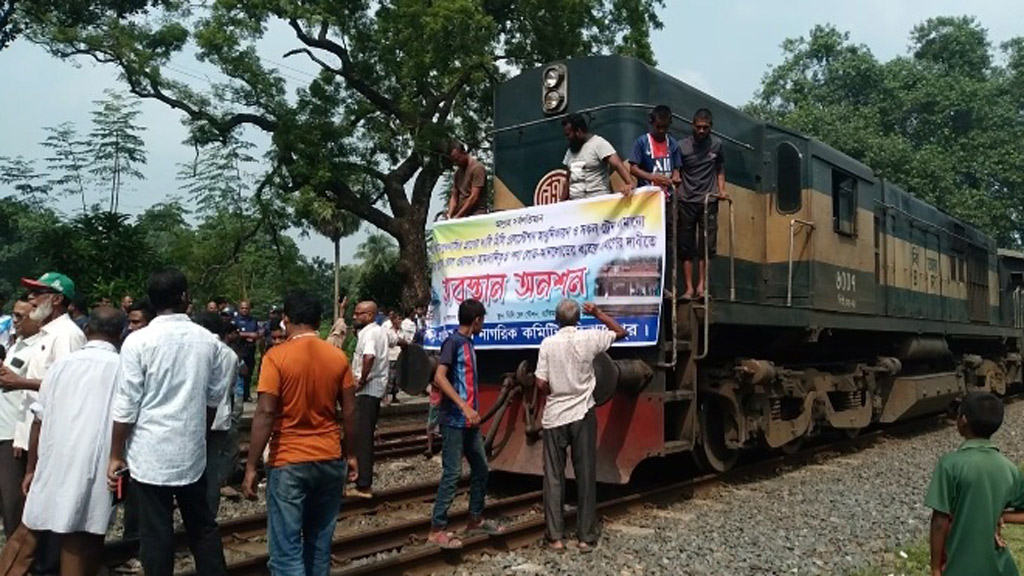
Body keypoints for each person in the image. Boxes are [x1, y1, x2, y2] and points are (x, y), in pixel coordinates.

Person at [108, 268, 229, 576]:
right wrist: (198, 436)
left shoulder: (137, 342)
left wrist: (115, 454)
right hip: (191, 453)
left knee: (156, 533)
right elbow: (212, 402)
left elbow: (126, 406)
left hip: (150, 455)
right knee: (202, 527)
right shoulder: (209, 342)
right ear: (186, 298)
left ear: (150, 300)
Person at [242, 289, 358, 576]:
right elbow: (351, 412)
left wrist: (251, 465)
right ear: (318, 320)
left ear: (286, 319)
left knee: (286, 551)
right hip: (330, 458)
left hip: (289, 459)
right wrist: (352, 455)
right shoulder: (338, 357)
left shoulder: (275, 357)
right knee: (319, 545)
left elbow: (266, 412)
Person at [20, 307, 125, 576]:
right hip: (97, 467)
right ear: (120, 333)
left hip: (54, 463)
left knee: (45, 532)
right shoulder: (121, 368)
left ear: (87, 330)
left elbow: (38, 420)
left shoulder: (60, 367)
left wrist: (32, 468)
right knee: (84, 538)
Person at [0, 272, 86, 576]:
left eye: (38, 293)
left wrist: (20, 381)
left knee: (40, 513)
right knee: (28, 508)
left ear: (58, 299)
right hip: (30, 431)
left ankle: (46, 568)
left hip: (52, 435)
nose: (32, 299)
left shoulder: (67, 336)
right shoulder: (46, 334)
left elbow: (70, 387)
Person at [535, 300, 627, 551]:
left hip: (555, 417)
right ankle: (585, 537)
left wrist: (554, 386)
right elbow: (621, 332)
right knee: (585, 474)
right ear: (578, 320)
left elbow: (541, 383)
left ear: (556, 320)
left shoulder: (547, 344)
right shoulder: (589, 339)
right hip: (582, 414)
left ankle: (555, 537)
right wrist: (597, 313)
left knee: (554, 477)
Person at [428, 299, 504, 548]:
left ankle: (475, 518)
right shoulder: (453, 343)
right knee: (452, 473)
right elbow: (440, 377)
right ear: (477, 320)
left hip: (469, 422)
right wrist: (463, 405)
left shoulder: (468, 343)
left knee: (481, 469)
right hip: (453, 420)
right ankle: (437, 528)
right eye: (483, 319)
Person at [925, 392, 1024, 576]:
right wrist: (999, 515)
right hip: (1000, 568)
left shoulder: (949, 465)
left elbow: (939, 521)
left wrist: (935, 567)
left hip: (958, 567)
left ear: (963, 420)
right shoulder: (1009, 468)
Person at [0, 296, 41, 541]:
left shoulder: (38, 348)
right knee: (7, 502)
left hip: (15, 434)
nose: (14, 321)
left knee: (15, 501)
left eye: (20, 317)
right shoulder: (18, 344)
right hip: (4, 427)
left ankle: (21, 559)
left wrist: (22, 436)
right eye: (13, 315)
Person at [194, 312, 241, 517]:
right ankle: (209, 514)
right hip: (221, 417)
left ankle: (194, 512)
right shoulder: (230, 354)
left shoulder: (199, 350)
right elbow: (230, 386)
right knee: (213, 470)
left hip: (198, 417)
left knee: (194, 469)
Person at [679, 108, 727, 299]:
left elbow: (720, 169)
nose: (701, 131)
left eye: (705, 128)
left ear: (711, 128)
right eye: (698, 127)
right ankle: (689, 288)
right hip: (686, 200)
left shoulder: (717, 145)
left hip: (709, 201)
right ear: (693, 125)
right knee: (686, 246)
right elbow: (677, 171)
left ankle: (702, 287)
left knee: (706, 245)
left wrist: (721, 190)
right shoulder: (682, 146)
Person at [348, 300, 389, 499]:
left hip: (367, 391)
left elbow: (369, 356)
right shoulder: (378, 331)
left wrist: (362, 379)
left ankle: (363, 484)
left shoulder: (370, 333)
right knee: (361, 435)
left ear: (370, 315)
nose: (355, 316)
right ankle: (358, 478)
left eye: (359, 313)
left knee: (363, 437)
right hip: (372, 391)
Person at [561, 113, 634, 201]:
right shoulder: (571, 150)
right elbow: (568, 179)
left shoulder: (598, 144)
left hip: (598, 201)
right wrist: (561, 202)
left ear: (578, 131)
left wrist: (630, 184)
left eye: (568, 134)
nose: (567, 138)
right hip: (576, 205)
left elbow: (618, 164)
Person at [629, 105, 682, 191]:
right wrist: (651, 177)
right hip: (647, 195)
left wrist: (675, 178)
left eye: (665, 127)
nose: (661, 131)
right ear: (651, 122)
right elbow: (633, 169)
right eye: (658, 127)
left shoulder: (673, 144)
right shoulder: (642, 142)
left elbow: (676, 168)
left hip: (667, 196)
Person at [382, 309, 415, 406]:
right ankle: (385, 398)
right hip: (390, 356)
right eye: (398, 319)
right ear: (393, 320)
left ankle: (394, 396)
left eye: (401, 319)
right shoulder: (387, 330)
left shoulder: (402, 331)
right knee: (389, 378)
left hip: (399, 357)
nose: (400, 321)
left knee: (397, 378)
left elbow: (406, 341)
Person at [447, 142, 487, 219]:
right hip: (461, 213)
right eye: (453, 161)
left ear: (464, 153)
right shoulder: (457, 173)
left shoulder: (477, 168)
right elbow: (454, 196)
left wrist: (458, 216)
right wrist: (450, 215)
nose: (456, 163)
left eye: (457, 159)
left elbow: (474, 197)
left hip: (476, 213)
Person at [233, 300, 260, 403]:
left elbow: (258, 332)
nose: (244, 310)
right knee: (239, 373)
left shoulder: (253, 320)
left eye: (246, 308)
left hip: (251, 349)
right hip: (240, 350)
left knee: (249, 372)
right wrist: (248, 335)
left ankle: (247, 394)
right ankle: (238, 395)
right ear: (239, 309)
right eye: (242, 308)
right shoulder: (235, 320)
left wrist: (254, 335)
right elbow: (235, 333)